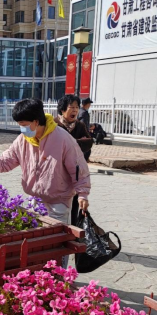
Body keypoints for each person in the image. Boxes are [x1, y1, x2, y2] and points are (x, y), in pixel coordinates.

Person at [0, 98, 91, 267]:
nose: (22, 128)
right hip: (35, 199)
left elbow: (78, 168)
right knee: (37, 243)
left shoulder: (62, 139)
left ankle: (60, 277)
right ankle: (40, 276)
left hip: (58, 201)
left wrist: (83, 193)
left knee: (57, 243)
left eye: (23, 124)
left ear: (36, 121)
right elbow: (6, 160)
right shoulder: (23, 140)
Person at [56, 95, 94, 225]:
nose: (75, 110)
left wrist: (71, 144)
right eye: (71, 107)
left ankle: (73, 231)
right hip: (57, 171)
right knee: (58, 205)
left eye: (77, 107)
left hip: (75, 170)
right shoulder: (54, 125)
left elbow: (89, 141)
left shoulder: (80, 125)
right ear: (62, 109)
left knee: (74, 202)